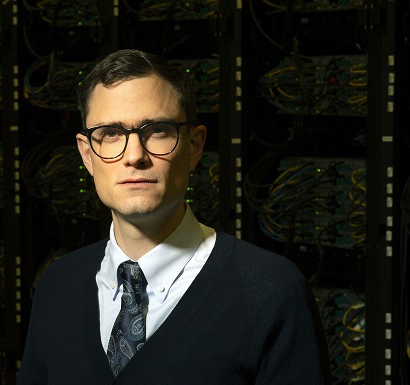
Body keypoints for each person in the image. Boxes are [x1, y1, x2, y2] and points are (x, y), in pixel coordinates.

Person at [17, 49, 331, 384]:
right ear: (87, 155)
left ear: (194, 146)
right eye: (110, 134)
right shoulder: (57, 285)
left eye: (158, 131)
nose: (135, 156)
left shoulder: (271, 290)